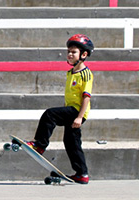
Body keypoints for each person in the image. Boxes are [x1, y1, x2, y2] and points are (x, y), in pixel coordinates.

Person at [26, 34, 94, 184]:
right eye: (68, 51)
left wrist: (79, 117)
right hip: (71, 110)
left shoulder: (86, 74)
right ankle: (82, 174)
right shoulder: (71, 73)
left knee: (50, 114)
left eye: (73, 52)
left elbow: (86, 97)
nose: (69, 54)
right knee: (72, 143)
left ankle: (39, 145)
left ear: (83, 54)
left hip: (77, 112)